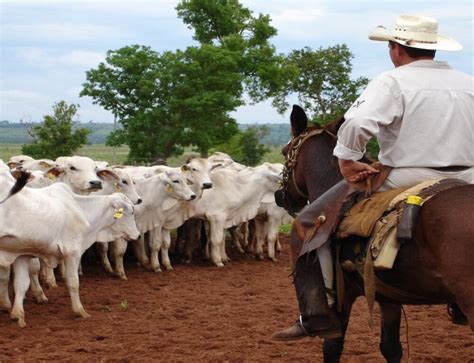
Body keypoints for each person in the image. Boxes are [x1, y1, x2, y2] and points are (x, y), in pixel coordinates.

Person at [272, 14, 473, 341]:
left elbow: (356, 124)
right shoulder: (469, 82)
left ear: (395, 49)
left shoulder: (393, 82)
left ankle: (316, 312)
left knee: (306, 224)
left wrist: (348, 161)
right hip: (468, 177)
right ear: (433, 49)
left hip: (408, 175)